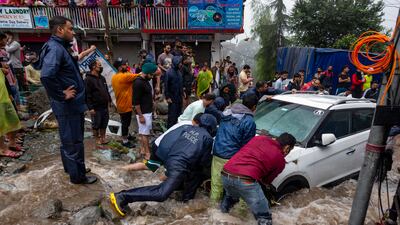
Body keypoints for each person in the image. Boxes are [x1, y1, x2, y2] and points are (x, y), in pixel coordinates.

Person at [110, 114, 218, 216]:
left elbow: (173, 142)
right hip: (179, 166)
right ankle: (123, 196)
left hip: (169, 158)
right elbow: (204, 162)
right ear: (212, 127)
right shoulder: (208, 138)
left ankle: (185, 199)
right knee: (161, 194)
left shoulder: (188, 128)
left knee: (192, 175)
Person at [35, 16, 96, 184]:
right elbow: (46, 76)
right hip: (68, 105)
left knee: (68, 139)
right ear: (60, 30)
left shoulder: (60, 47)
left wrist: (87, 52)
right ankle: (78, 177)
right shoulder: (55, 48)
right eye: (70, 28)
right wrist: (62, 94)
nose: (73, 32)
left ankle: (72, 168)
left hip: (70, 106)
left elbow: (67, 64)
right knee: (74, 141)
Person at [220, 133, 296, 225]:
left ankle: (219, 218)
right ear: (287, 147)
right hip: (246, 180)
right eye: (289, 150)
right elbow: (266, 181)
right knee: (264, 217)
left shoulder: (259, 138)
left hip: (226, 173)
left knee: (230, 199)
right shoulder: (280, 159)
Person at [210, 93, 258, 202]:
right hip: (231, 158)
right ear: (254, 107)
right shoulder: (249, 121)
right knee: (232, 191)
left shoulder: (227, 112)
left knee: (216, 186)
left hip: (217, 153)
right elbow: (247, 145)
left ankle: (212, 211)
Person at [120, 113, 202, 173]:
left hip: (159, 143)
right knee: (158, 168)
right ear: (198, 123)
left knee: (150, 166)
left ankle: (124, 169)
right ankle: (124, 169)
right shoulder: (190, 129)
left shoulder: (185, 122)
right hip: (163, 147)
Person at [111, 58, 140, 148]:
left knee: (126, 122)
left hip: (121, 104)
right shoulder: (124, 77)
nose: (126, 66)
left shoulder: (115, 76)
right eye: (124, 65)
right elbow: (139, 75)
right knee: (125, 123)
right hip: (125, 105)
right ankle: (125, 140)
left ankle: (127, 135)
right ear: (119, 68)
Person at [133, 62, 158, 160]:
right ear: (146, 73)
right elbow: (136, 102)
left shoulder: (145, 81)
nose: (152, 76)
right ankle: (147, 153)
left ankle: (143, 149)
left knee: (143, 132)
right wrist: (140, 116)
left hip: (147, 110)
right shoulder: (138, 83)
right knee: (145, 133)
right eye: (151, 74)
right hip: (143, 112)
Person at [0, 54, 22, 158]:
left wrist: (10, 95)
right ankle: (3, 149)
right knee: (0, 127)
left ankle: (12, 142)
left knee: (15, 122)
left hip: (5, 99)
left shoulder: (2, 70)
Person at [85, 60, 111, 146]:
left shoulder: (102, 78)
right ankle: (97, 140)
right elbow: (87, 94)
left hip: (104, 106)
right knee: (96, 124)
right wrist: (90, 108)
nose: (101, 67)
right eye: (99, 65)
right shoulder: (88, 79)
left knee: (104, 123)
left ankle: (103, 138)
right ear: (93, 67)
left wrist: (109, 101)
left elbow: (106, 90)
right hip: (96, 107)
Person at [164, 55, 183, 128]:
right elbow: (166, 86)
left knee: (179, 115)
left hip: (179, 98)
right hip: (172, 98)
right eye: (179, 63)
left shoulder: (179, 72)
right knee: (172, 116)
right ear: (176, 62)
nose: (181, 64)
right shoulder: (169, 73)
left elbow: (180, 83)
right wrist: (167, 97)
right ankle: (169, 131)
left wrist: (182, 92)